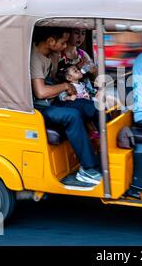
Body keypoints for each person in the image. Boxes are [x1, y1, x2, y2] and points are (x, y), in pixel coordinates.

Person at [30, 26, 102, 185]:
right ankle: (88, 169)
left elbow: (55, 78)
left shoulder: (49, 56)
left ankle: (108, 153)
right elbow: (41, 92)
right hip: (40, 108)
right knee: (73, 116)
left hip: (53, 101)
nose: (65, 46)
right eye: (62, 43)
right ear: (50, 41)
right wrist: (64, 87)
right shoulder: (35, 58)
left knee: (93, 106)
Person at [56, 65, 100, 138]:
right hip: (80, 105)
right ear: (69, 78)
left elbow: (88, 91)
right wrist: (69, 97)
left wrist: (95, 92)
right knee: (88, 118)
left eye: (78, 69)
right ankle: (92, 132)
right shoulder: (70, 86)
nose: (79, 71)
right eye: (75, 71)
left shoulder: (81, 84)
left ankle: (94, 131)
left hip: (87, 101)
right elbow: (61, 96)